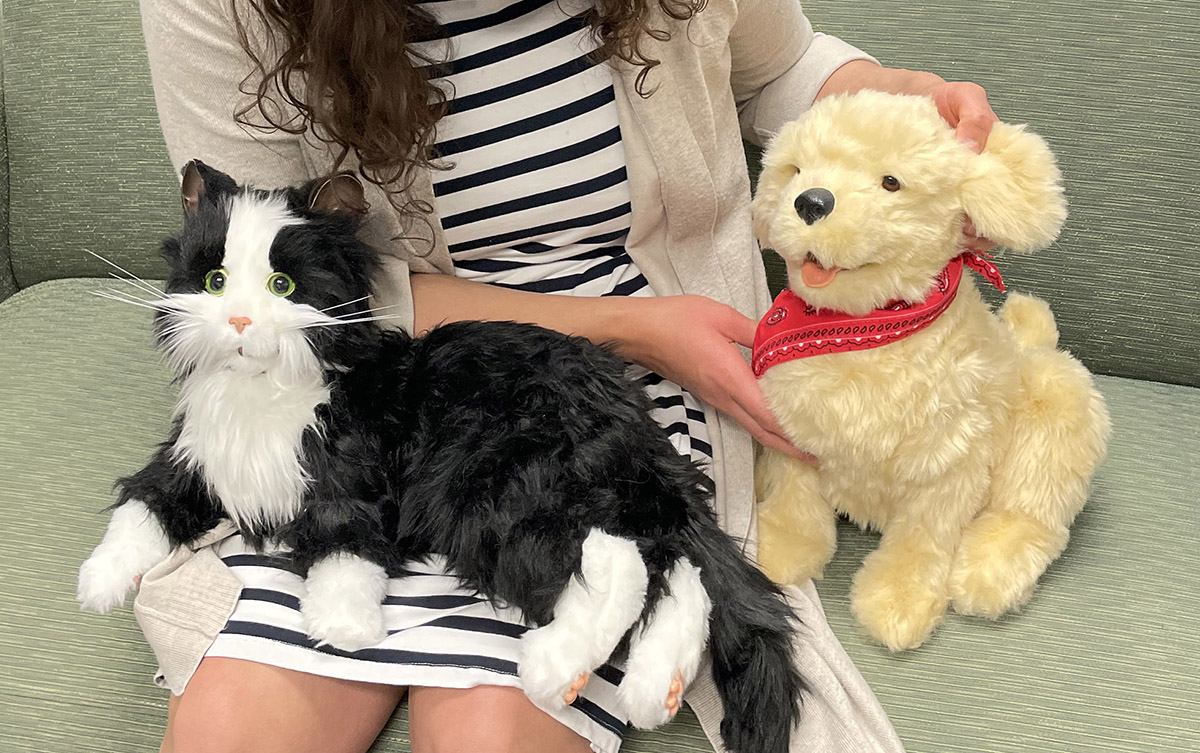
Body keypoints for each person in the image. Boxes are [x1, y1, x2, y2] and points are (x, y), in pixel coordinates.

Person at [135, 0, 999, 751]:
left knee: (493, 724)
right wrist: (632, 329)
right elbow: (279, 284)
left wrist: (900, 98)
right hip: (350, 388)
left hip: (606, 399)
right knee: (230, 731)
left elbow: (778, 67)